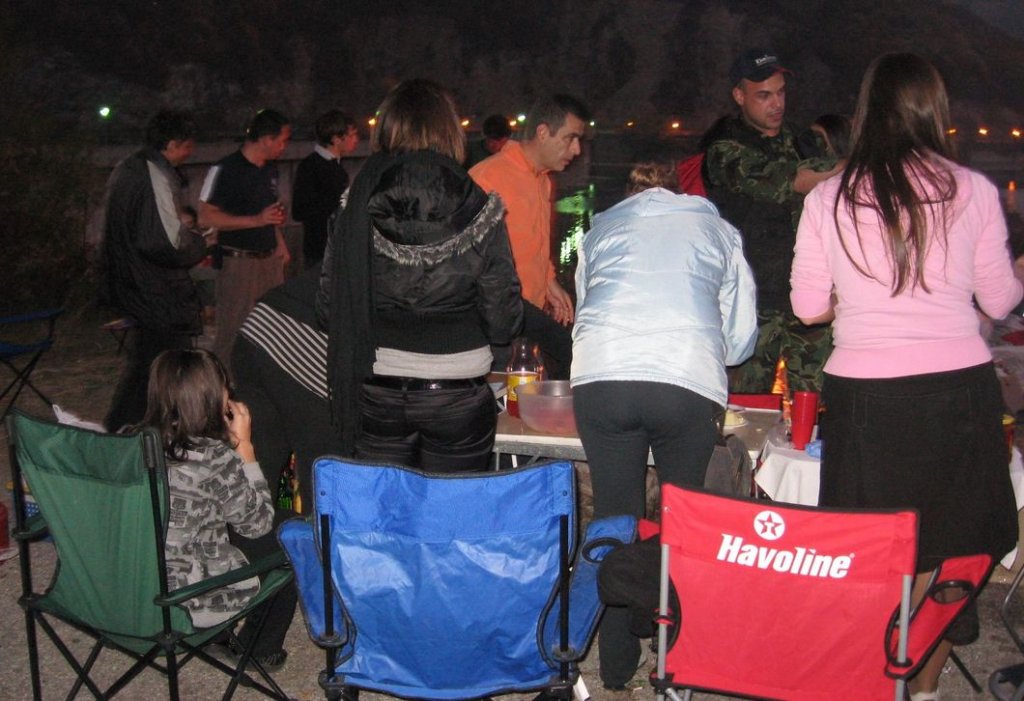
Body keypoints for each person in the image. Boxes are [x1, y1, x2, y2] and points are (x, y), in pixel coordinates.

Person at [790, 53, 1022, 701]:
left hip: (865, 395)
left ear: (867, 111)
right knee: (954, 543)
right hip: (957, 389)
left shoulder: (829, 196)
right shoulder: (973, 189)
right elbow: (998, 300)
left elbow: (807, 308)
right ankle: (922, 683)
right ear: (934, 110)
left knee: (872, 546)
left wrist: (859, 298)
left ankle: (873, 676)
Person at [572, 162, 757, 689]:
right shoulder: (718, 229)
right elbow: (741, 336)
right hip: (684, 374)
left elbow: (588, 306)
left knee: (615, 517)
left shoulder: (599, 229)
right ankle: (676, 657)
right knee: (683, 522)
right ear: (677, 193)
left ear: (629, 195)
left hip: (603, 374)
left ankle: (615, 664)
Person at [317, 78, 523, 472]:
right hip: (457, 391)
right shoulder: (479, 206)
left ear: (386, 129)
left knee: (386, 506)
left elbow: (330, 309)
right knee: (451, 506)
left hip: (378, 387)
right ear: (450, 130)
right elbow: (503, 320)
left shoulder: (355, 204)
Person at [702, 48, 840, 393]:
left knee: (814, 399)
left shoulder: (803, 141)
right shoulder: (725, 149)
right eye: (764, 95)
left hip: (804, 296)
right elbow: (797, 180)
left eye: (780, 93)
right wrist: (862, 163)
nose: (776, 103)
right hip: (751, 301)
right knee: (744, 404)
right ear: (739, 96)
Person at [142, 348, 288, 666]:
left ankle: (217, 636)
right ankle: (260, 650)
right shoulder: (212, 457)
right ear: (211, 398)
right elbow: (259, 524)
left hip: (130, 594)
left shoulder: (131, 444)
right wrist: (245, 449)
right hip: (182, 604)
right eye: (224, 386)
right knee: (291, 537)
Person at [102, 110, 212, 432]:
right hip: (154, 289)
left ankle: (128, 427)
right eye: (187, 146)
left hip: (135, 284)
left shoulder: (129, 168)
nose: (189, 153)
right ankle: (130, 427)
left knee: (149, 364)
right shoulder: (153, 175)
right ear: (172, 143)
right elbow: (163, 242)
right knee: (162, 366)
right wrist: (200, 244)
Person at [470, 94, 589, 379]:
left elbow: (531, 243)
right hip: (496, 326)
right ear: (543, 132)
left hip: (527, 319)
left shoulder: (542, 181)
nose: (576, 149)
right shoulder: (488, 178)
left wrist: (549, 281)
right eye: (570, 138)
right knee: (573, 358)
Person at [233, 267, 340, 508]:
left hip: (261, 328)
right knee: (323, 462)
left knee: (271, 459)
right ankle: (292, 519)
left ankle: (274, 516)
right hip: (298, 339)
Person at [199, 109, 292, 369]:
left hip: (268, 258)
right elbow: (205, 216)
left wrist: (279, 241)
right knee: (234, 328)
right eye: (282, 140)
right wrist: (256, 220)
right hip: (238, 260)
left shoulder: (270, 169)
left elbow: (269, 212)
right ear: (266, 139)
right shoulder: (225, 169)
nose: (284, 147)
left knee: (273, 325)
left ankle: (263, 381)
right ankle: (223, 383)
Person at [292, 110, 359, 269]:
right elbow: (299, 211)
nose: (356, 140)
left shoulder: (337, 167)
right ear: (336, 139)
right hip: (321, 250)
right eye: (351, 135)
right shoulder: (311, 167)